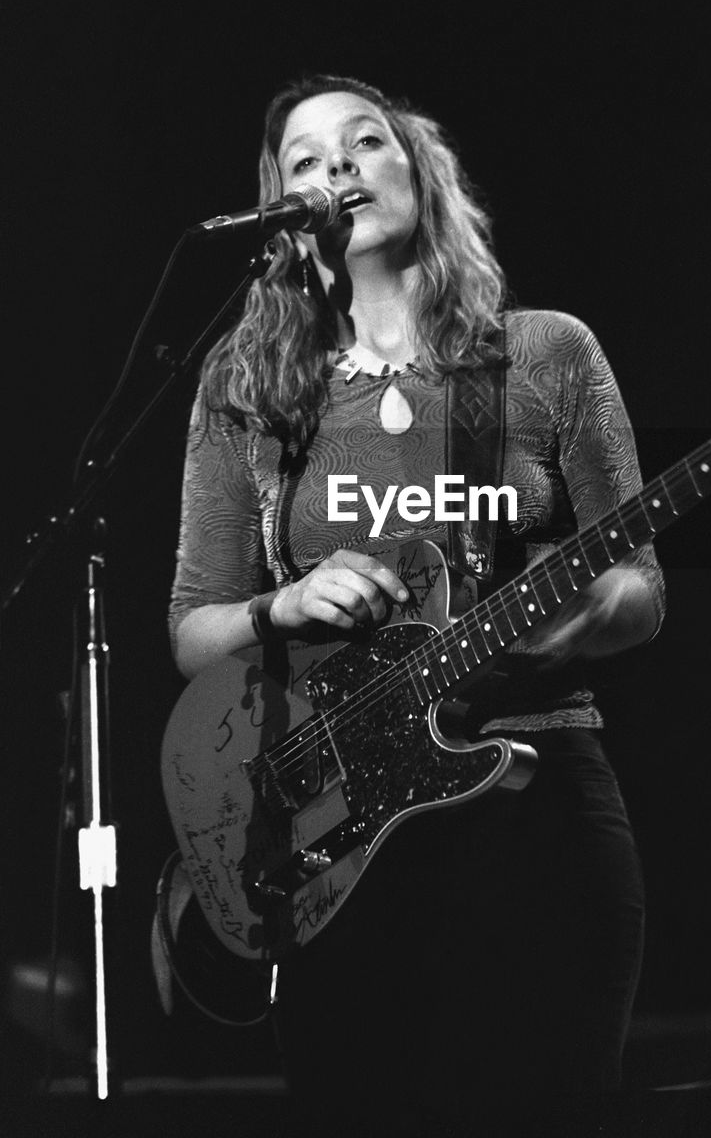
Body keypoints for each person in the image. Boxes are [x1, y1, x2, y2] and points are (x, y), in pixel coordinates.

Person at [168, 73, 665, 1134]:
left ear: (420, 173)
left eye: (366, 144)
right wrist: (286, 600)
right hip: (339, 841)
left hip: (536, 797)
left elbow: (637, 579)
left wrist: (582, 618)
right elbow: (194, 624)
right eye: (306, 162)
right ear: (283, 215)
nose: (339, 169)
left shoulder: (544, 354)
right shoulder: (247, 389)